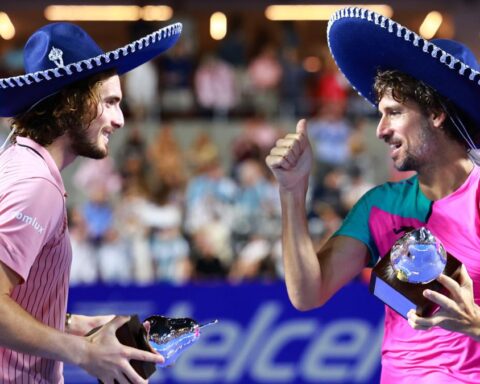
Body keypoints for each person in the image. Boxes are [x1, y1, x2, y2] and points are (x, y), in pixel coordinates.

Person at [266, 7, 480, 383]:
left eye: (394, 112)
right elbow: (308, 293)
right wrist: (292, 192)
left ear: (435, 113)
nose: (380, 130)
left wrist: (475, 323)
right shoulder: (379, 204)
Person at [0, 21, 182, 383]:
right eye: (110, 102)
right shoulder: (37, 185)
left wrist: (68, 324)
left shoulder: (17, 163)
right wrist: (83, 352)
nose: (120, 119)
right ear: (73, 102)